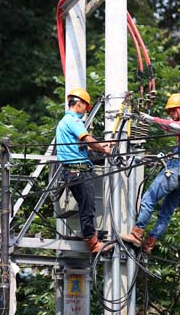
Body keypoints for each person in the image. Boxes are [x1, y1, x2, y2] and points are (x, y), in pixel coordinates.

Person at [121, 93, 180, 254]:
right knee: (166, 211)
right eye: (170, 111)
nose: (172, 114)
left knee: (149, 198)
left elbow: (174, 126)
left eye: (174, 110)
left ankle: (137, 234)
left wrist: (151, 119)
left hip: (177, 167)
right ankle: (150, 243)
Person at [56, 87, 112, 253]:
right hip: (78, 170)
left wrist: (100, 147)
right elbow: (87, 139)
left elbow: (77, 147)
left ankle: (91, 238)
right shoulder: (73, 121)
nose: (85, 112)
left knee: (85, 206)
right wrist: (103, 149)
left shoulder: (63, 122)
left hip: (71, 171)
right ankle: (92, 242)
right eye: (85, 107)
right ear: (78, 103)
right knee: (88, 207)